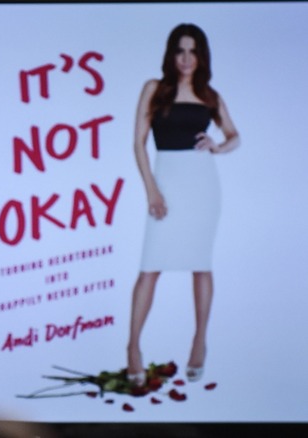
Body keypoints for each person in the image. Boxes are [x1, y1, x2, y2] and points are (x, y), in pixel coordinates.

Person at [126, 24, 240, 385]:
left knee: (201, 265)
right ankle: (133, 347)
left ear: (201, 56)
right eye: (181, 51)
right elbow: (139, 143)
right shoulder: (154, 89)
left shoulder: (209, 94)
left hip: (202, 186)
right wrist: (152, 191)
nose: (187, 59)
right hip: (166, 181)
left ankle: (199, 342)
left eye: (193, 51)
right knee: (150, 267)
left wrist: (219, 146)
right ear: (171, 54)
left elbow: (234, 135)